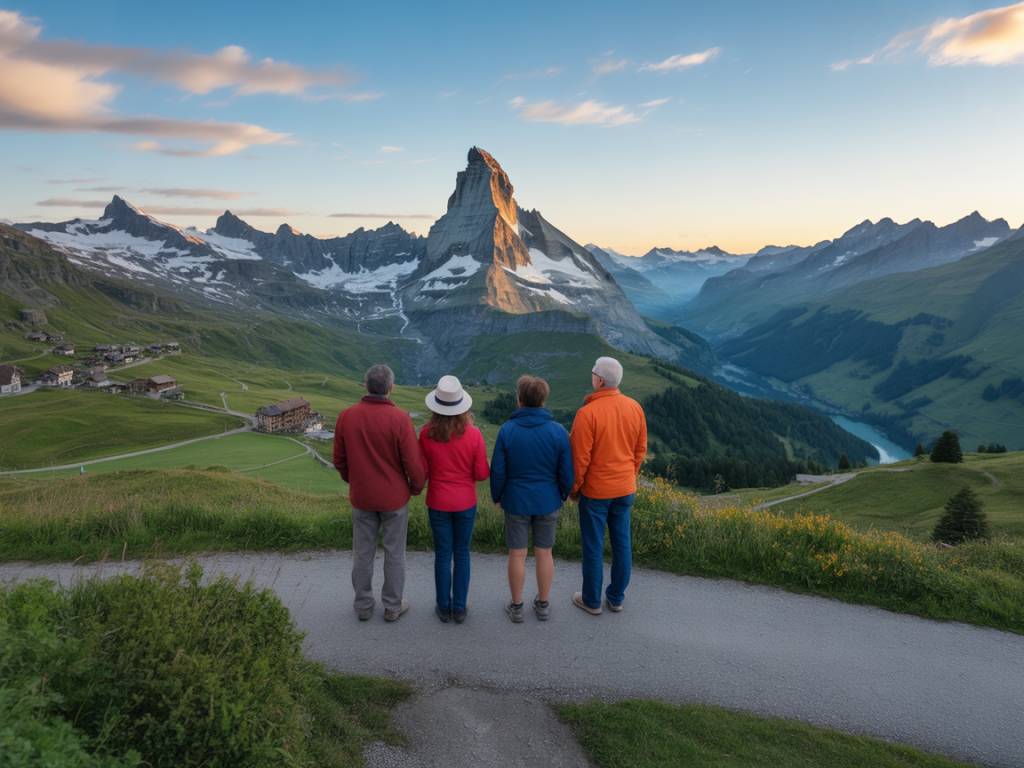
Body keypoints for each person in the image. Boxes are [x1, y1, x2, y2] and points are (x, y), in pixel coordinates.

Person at [333, 363, 425, 622]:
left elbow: (339, 459)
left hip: (362, 496)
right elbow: (413, 462)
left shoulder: (346, 416)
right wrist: (415, 487)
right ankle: (392, 606)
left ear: (366, 386)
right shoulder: (399, 419)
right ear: (391, 388)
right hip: (394, 497)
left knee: (363, 552)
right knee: (395, 552)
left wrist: (354, 480)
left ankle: (363, 605)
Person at [490, 375, 573, 623]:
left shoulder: (507, 430)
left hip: (516, 500)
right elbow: (566, 471)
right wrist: (562, 493)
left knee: (517, 554)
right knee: (544, 553)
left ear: (520, 400)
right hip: (547, 499)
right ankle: (543, 604)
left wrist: (497, 495)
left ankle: (516, 606)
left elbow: (498, 470)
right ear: (543, 400)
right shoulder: (558, 432)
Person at [569, 356, 647, 615]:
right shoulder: (635, 407)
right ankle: (616, 598)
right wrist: (629, 475)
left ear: (599, 380)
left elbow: (580, 459)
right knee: (622, 543)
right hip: (625, 488)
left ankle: (591, 601)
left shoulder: (587, 413)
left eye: (593, 373)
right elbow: (640, 450)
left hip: (596, 491)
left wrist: (575, 489)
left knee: (593, 546)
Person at [419, 375, 489, 624]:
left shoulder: (426, 434)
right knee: (462, 554)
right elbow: (481, 474)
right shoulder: (474, 434)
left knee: (442, 554)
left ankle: (442, 606)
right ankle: (459, 608)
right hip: (465, 502)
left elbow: (423, 472)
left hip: (438, 501)